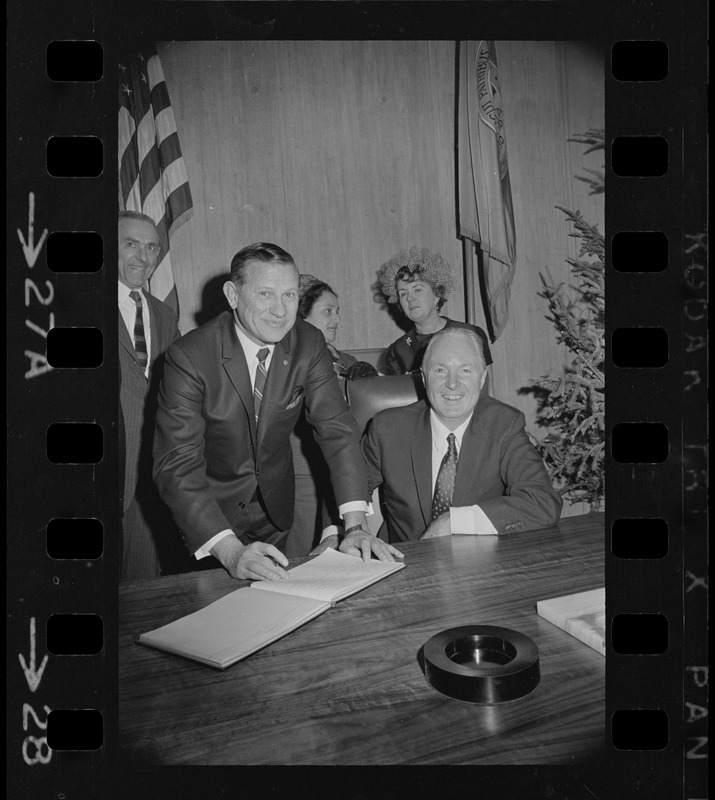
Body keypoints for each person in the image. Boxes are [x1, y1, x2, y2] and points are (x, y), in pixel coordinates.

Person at [153, 242, 402, 581]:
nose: (281, 311)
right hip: (210, 520)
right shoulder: (189, 357)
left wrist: (355, 526)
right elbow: (176, 464)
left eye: (289, 295)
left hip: (274, 513)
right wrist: (229, 550)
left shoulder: (308, 342)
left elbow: (337, 431)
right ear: (232, 295)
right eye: (266, 294)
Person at [360, 326, 562, 543]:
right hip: (404, 562)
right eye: (440, 370)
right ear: (425, 378)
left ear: (482, 379)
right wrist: (346, 531)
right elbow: (347, 486)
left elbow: (542, 501)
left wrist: (453, 521)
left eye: (465, 370)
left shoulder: (503, 425)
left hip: (479, 564)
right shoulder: (389, 428)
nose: (452, 383)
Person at [288, 275, 377, 556]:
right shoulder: (286, 365)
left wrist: (369, 383)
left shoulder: (349, 364)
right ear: (301, 316)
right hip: (304, 483)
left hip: (351, 480)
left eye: (337, 311)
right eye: (328, 311)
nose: (337, 319)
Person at [118, 211, 185, 580]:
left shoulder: (164, 314)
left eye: (152, 248)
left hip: (152, 476)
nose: (143, 257)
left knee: (143, 589)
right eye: (131, 244)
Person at [378, 246, 493, 376]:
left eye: (417, 290)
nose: (409, 298)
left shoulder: (471, 334)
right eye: (403, 294)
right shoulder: (398, 350)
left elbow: (488, 389)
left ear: (437, 294)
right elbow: (396, 394)